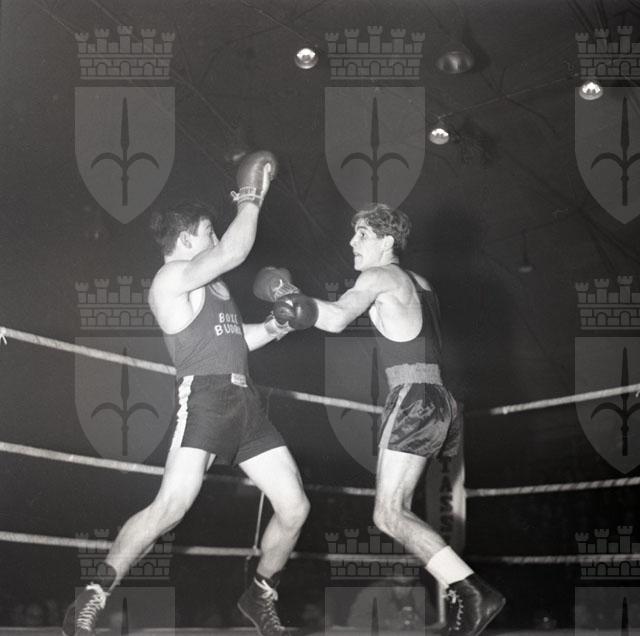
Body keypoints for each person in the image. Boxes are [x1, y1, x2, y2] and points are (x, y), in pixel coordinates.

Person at [62, 152, 310, 636]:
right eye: (209, 233)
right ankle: (92, 596)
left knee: (295, 506)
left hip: (245, 405)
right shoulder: (171, 279)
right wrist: (250, 198)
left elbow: (237, 340)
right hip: (206, 400)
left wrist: (276, 325)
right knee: (170, 508)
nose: (215, 241)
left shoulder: (214, 288)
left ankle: (260, 594)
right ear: (186, 239)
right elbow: (234, 252)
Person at [262, 203, 505, 636]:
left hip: (412, 396)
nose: (351, 242)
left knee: (389, 513)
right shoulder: (420, 282)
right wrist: (299, 297)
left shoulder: (376, 276)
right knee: (393, 511)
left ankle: (473, 592)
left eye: (361, 234)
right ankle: (469, 593)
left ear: (387, 241)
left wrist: (288, 298)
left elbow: (337, 319)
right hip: (437, 397)